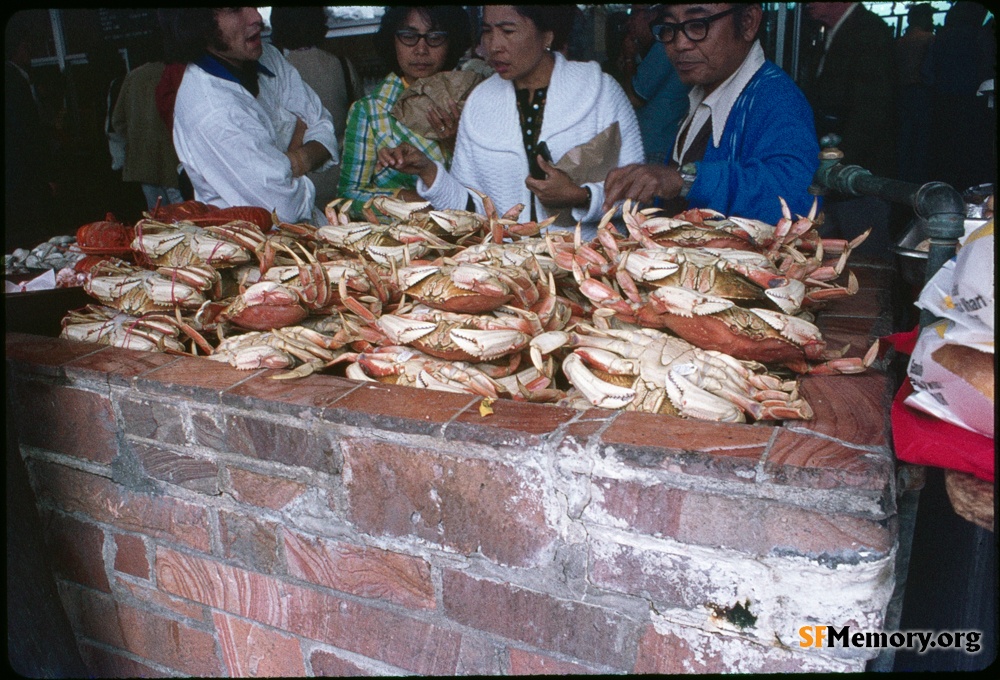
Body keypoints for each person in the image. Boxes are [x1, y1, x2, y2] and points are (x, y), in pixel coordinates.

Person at [377, 5, 645, 239]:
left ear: (547, 35)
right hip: (508, 269)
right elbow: (470, 209)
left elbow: (638, 195)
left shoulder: (599, 92)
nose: (494, 46)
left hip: (592, 262)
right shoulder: (479, 102)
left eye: (508, 31)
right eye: (487, 31)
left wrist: (582, 197)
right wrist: (427, 171)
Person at [603, 3, 819, 227]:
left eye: (698, 25)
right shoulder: (702, 92)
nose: (680, 43)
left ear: (748, 22)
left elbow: (796, 201)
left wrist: (684, 180)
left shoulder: (776, 98)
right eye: (668, 28)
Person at [161, 7, 338, 225]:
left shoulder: (269, 56)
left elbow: (323, 124)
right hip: (263, 248)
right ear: (199, 25)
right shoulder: (212, 110)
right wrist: (303, 143)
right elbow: (285, 209)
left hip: (314, 230)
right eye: (235, 9)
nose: (256, 18)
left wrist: (289, 164)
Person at [337, 6, 473, 206]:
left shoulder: (473, 99)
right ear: (392, 41)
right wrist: (413, 201)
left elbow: (489, 185)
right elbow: (347, 198)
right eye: (409, 36)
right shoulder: (370, 111)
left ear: (451, 41)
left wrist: (454, 143)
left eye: (434, 37)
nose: (421, 49)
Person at [804, 2, 897, 259]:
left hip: (859, 170)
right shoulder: (830, 32)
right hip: (834, 170)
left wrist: (838, 165)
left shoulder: (870, 32)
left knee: (865, 254)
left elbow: (872, 112)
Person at [269, 6, 360, 209]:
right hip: (343, 182)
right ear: (321, 23)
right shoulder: (342, 65)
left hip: (299, 186)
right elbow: (361, 117)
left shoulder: (276, 75)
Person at [927, 2, 994, 193]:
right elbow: (985, 64)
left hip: (943, 100)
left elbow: (929, 71)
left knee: (946, 152)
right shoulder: (979, 36)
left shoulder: (941, 38)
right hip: (972, 101)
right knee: (969, 152)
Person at [5, 13, 58, 250]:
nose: (32, 53)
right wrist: (46, 176)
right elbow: (27, 134)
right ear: (17, 49)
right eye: (27, 47)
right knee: (34, 239)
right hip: (24, 178)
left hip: (15, 177)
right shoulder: (15, 81)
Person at [619, 4, 691, 164]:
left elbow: (635, 98)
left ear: (652, 15)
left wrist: (629, 58)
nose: (629, 22)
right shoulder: (652, 46)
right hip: (656, 141)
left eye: (634, 13)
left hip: (657, 144)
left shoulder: (663, 44)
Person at [111, 59, 184, 211]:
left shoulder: (132, 77)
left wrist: (136, 139)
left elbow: (117, 120)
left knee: (156, 217)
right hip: (174, 159)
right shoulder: (177, 72)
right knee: (183, 215)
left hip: (143, 160)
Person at [895, 3, 936, 184]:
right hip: (921, 93)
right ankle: (917, 183)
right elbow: (930, 70)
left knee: (903, 140)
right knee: (920, 141)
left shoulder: (900, 42)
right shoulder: (929, 39)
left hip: (901, 94)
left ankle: (901, 179)